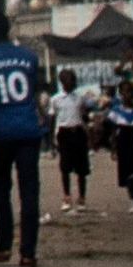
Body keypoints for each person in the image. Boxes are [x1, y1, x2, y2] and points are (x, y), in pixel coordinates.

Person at [0, 18, 47, 267]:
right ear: (9, 30)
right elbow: (37, 90)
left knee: (1, 188)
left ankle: (3, 246)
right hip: (29, 128)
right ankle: (28, 252)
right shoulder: (29, 57)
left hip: (2, 130)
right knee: (29, 190)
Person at [52, 71, 94, 215]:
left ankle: (82, 198)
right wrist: (53, 138)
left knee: (82, 167)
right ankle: (67, 197)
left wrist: (89, 134)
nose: (72, 84)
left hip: (78, 132)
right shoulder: (56, 99)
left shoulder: (80, 98)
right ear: (63, 82)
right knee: (65, 166)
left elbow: (84, 116)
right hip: (64, 132)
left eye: (73, 81)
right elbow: (53, 119)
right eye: (70, 81)